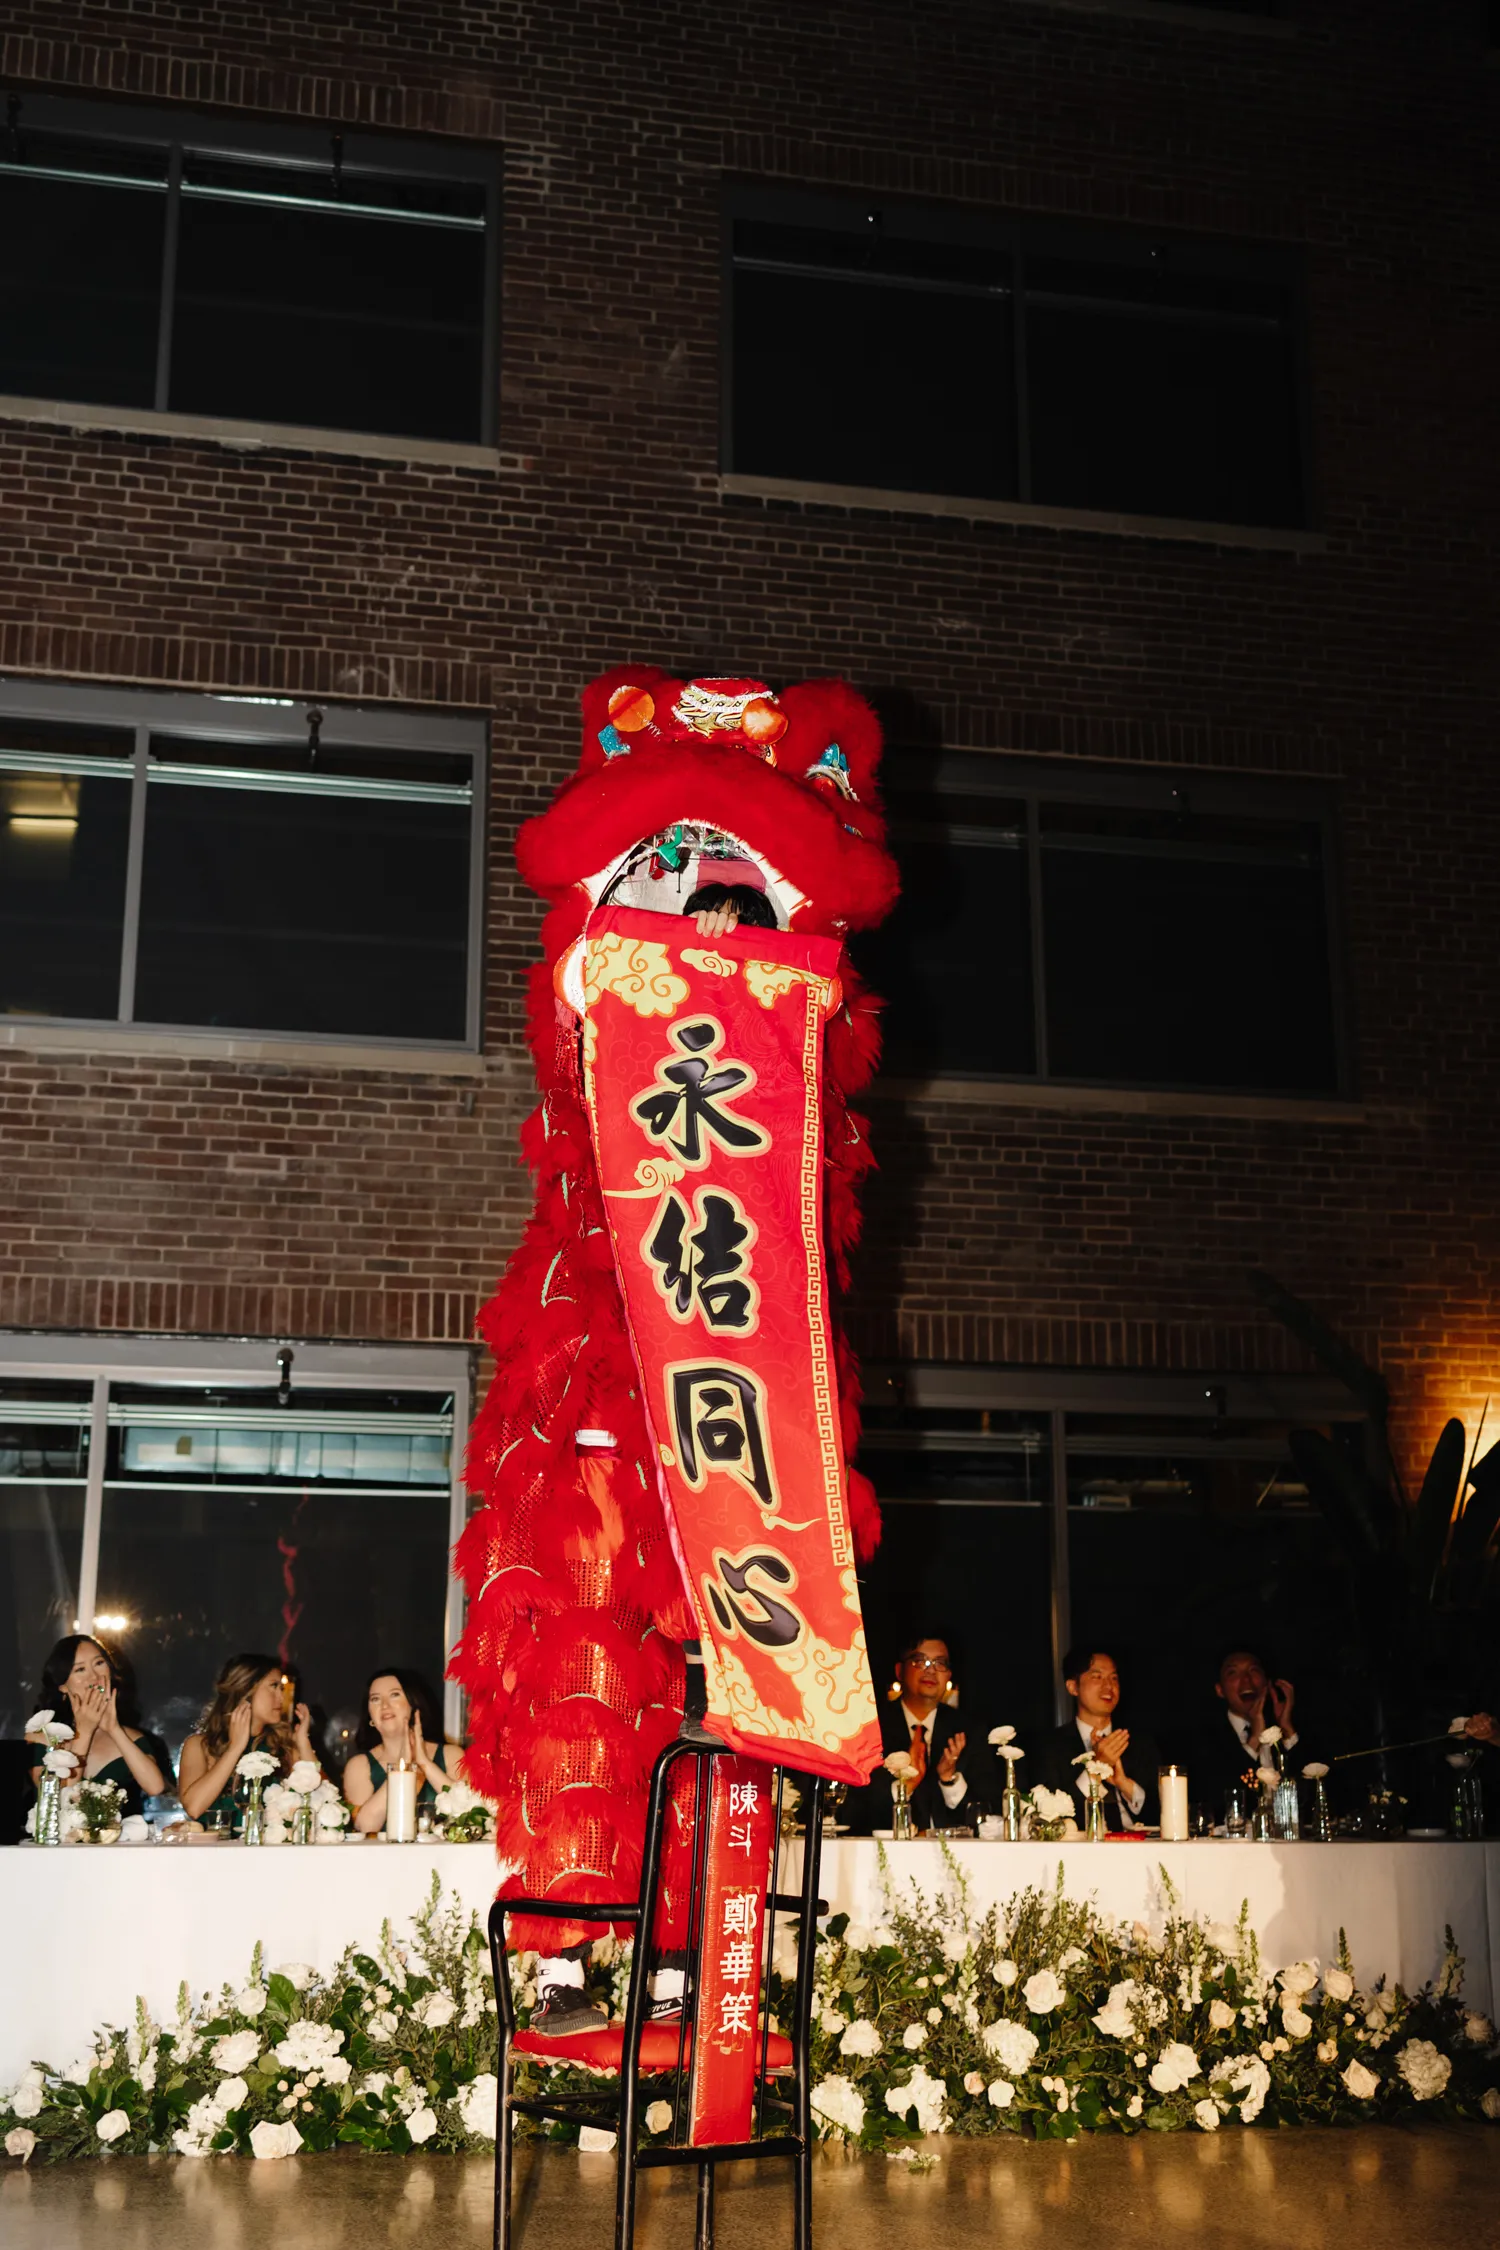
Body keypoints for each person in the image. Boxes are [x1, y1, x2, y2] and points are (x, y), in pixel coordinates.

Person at [26, 1633, 170, 1818]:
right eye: (80, 1670)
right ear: (62, 1686)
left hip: (117, 1843)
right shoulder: (42, 1736)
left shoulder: (132, 1737)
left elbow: (155, 1787)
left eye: (99, 1663)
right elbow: (58, 1799)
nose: (94, 1676)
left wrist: (114, 1729)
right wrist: (84, 1731)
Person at [847, 1633, 974, 1835]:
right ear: (899, 1671)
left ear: (948, 1675)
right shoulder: (870, 1728)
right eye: (920, 1661)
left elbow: (984, 1815)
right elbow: (851, 1811)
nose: (931, 1670)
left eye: (940, 1663)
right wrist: (905, 1786)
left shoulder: (968, 1730)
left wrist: (949, 1780)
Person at [1030, 1646, 1161, 1831]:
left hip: (1137, 1846)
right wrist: (1096, 1770)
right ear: (1073, 1686)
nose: (1109, 1686)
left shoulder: (1138, 1742)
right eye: (1097, 1677)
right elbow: (1051, 1819)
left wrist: (1125, 1785)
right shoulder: (1049, 1746)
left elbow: (1161, 1812)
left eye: (1114, 1678)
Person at [176, 1653, 318, 1824]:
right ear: (246, 1689)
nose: (281, 1698)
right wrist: (235, 1748)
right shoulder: (199, 1745)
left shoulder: (283, 1745)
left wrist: (303, 1742)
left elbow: (321, 1800)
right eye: (274, 1686)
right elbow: (194, 1807)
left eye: (282, 1689)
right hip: (214, 1849)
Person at [1192, 1646, 1313, 1810]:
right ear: (1220, 1690)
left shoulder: (1284, 1729)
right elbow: (1218, 1797)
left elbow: (1313, 1792)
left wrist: (1287, 1728)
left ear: (1266, 1683)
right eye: (1233, 1673)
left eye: (1253, 1670)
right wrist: (1255, 1738)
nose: (1246, 1680)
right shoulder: (1205, 1737)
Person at [343, 1669, 463, 1833]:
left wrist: (425, 1764)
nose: (384, 1705)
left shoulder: (451, 1755)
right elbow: (364, 1827)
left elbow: (468, 1815)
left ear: (414, 1704)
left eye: (394, 1695)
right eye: (375, 1699)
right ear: (370, 1716)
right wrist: (402, 1767)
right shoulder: (359, 1766)